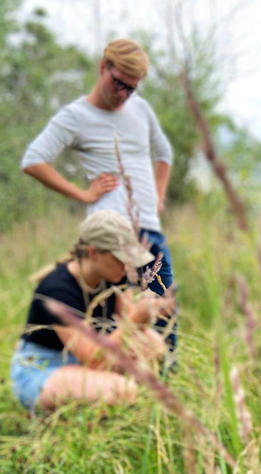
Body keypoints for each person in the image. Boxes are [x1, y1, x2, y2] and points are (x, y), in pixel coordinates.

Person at [21, 37, 174, 304]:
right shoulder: (75, 116)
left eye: (131, 88)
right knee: (110, 325)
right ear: (103, 67)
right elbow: (33, 160)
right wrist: (82, 194)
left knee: (161, 319)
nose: (123, 94)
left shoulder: (141, 109)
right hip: (110, 237)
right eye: (119, 83)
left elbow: (164, 154)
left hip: (150, 230)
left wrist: (159, 196)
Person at [10, 210, 174, 411]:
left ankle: (98, 407)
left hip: (84, 358)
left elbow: (131, 330)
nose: (128, 264)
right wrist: (134, 320)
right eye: (120, 257)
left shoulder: (114, 275)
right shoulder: (56, 291)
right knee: (122, 390)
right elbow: (96, 359)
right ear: (93, 252)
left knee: (153, 344)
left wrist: (151, 312)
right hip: (43, 366)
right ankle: (56, 413)